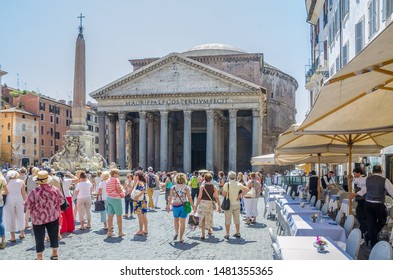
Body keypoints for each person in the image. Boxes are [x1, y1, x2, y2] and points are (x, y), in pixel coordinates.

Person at [24, 170, 65, 260]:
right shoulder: (54, 189)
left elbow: (27, 205)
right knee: (54, 235)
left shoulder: (34, 192)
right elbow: (62, 201)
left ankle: (39, 257)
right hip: (52, 216)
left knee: (39, 237)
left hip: (38, 218)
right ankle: (55, 254)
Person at [363, 165, 393, 248]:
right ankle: (370, 236)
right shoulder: (385, 180)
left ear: (372, 171)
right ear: (381, 171)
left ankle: (372, 240)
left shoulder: (367, 179)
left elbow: (363, 189)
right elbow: (392, 191)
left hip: (368, 204)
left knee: (371, 223)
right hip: (378, 204)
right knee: (383, 220)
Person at [166, 173, 195, 243]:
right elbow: (190, 198)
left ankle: (176, 233)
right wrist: (193, 206)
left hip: (175, 206)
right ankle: (181, 238)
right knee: (183, 222)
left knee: (176, 220)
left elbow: (170, 198)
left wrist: (168, 206)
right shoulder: (186, 188)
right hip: (183, 206)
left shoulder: (173, 187)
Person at [222, 171, 249, 239]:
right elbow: (247, 189)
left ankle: (227, 234)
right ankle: (238, 232)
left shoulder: (226, 184)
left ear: (228, 177)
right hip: (236, 204)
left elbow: (224, 194)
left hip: (229, 204)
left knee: (227, 220)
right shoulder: (238, 184)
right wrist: (240, 195)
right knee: (237, 219)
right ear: (235, 177)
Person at [195, 172, 220, 240]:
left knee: (202, 219)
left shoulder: (202, 187)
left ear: (204, 179)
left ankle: (203, 235)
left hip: (202, 203)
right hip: (209, 203)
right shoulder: (214, 187)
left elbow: (199, 197)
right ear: (211, 179)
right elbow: (217, 197)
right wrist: (219, 206)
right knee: (209, 217)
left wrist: (196, 206)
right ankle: (209, 230)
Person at [4, 170, 27, 242]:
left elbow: (4, 191)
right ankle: (22, 233)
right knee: (20, 215)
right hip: (19, 198)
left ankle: (13, 236)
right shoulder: (21, 181)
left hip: (9, 199)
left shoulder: (7, 182)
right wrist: (26, 201)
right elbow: (23, 193)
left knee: (10, 216)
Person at [105, 168, 125, 238]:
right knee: (119, 215)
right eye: (117, 173)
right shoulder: (116, 180)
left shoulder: (108, 180)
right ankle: (120, 232)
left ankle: (109, 232)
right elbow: (118, 188)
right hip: (116, 198)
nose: (118, 175)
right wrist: (122, 193)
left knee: (110, 216)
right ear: (114, 174)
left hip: (109, 198)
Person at [349, 167, 367, 238]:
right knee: (360, 215)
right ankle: (363, 230)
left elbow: (364, 190)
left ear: (359, 173)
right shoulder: (360, 178)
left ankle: (364, 230)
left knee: (360, 215)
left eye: (355, 173)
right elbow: (356, 181)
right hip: (360, 200)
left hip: (363, 200)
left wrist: (355, 194)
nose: (354, 175)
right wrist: (351, 178)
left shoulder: (363, 179)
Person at [133, 170, 148, 236]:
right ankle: (145, 230)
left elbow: (143, 190)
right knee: (144, 215)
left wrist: (137, 196)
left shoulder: (140, 182)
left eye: (136, 175)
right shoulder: (141, 182)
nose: (134, 176)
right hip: (143, 200)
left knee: (140, 216)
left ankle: (141, 230)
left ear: (139, 176)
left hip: (139, 201)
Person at [0, 172, 9, 249]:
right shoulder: (2, 179)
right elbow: (6, 191)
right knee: (0, 221)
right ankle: (3, 240)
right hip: (0, 201)